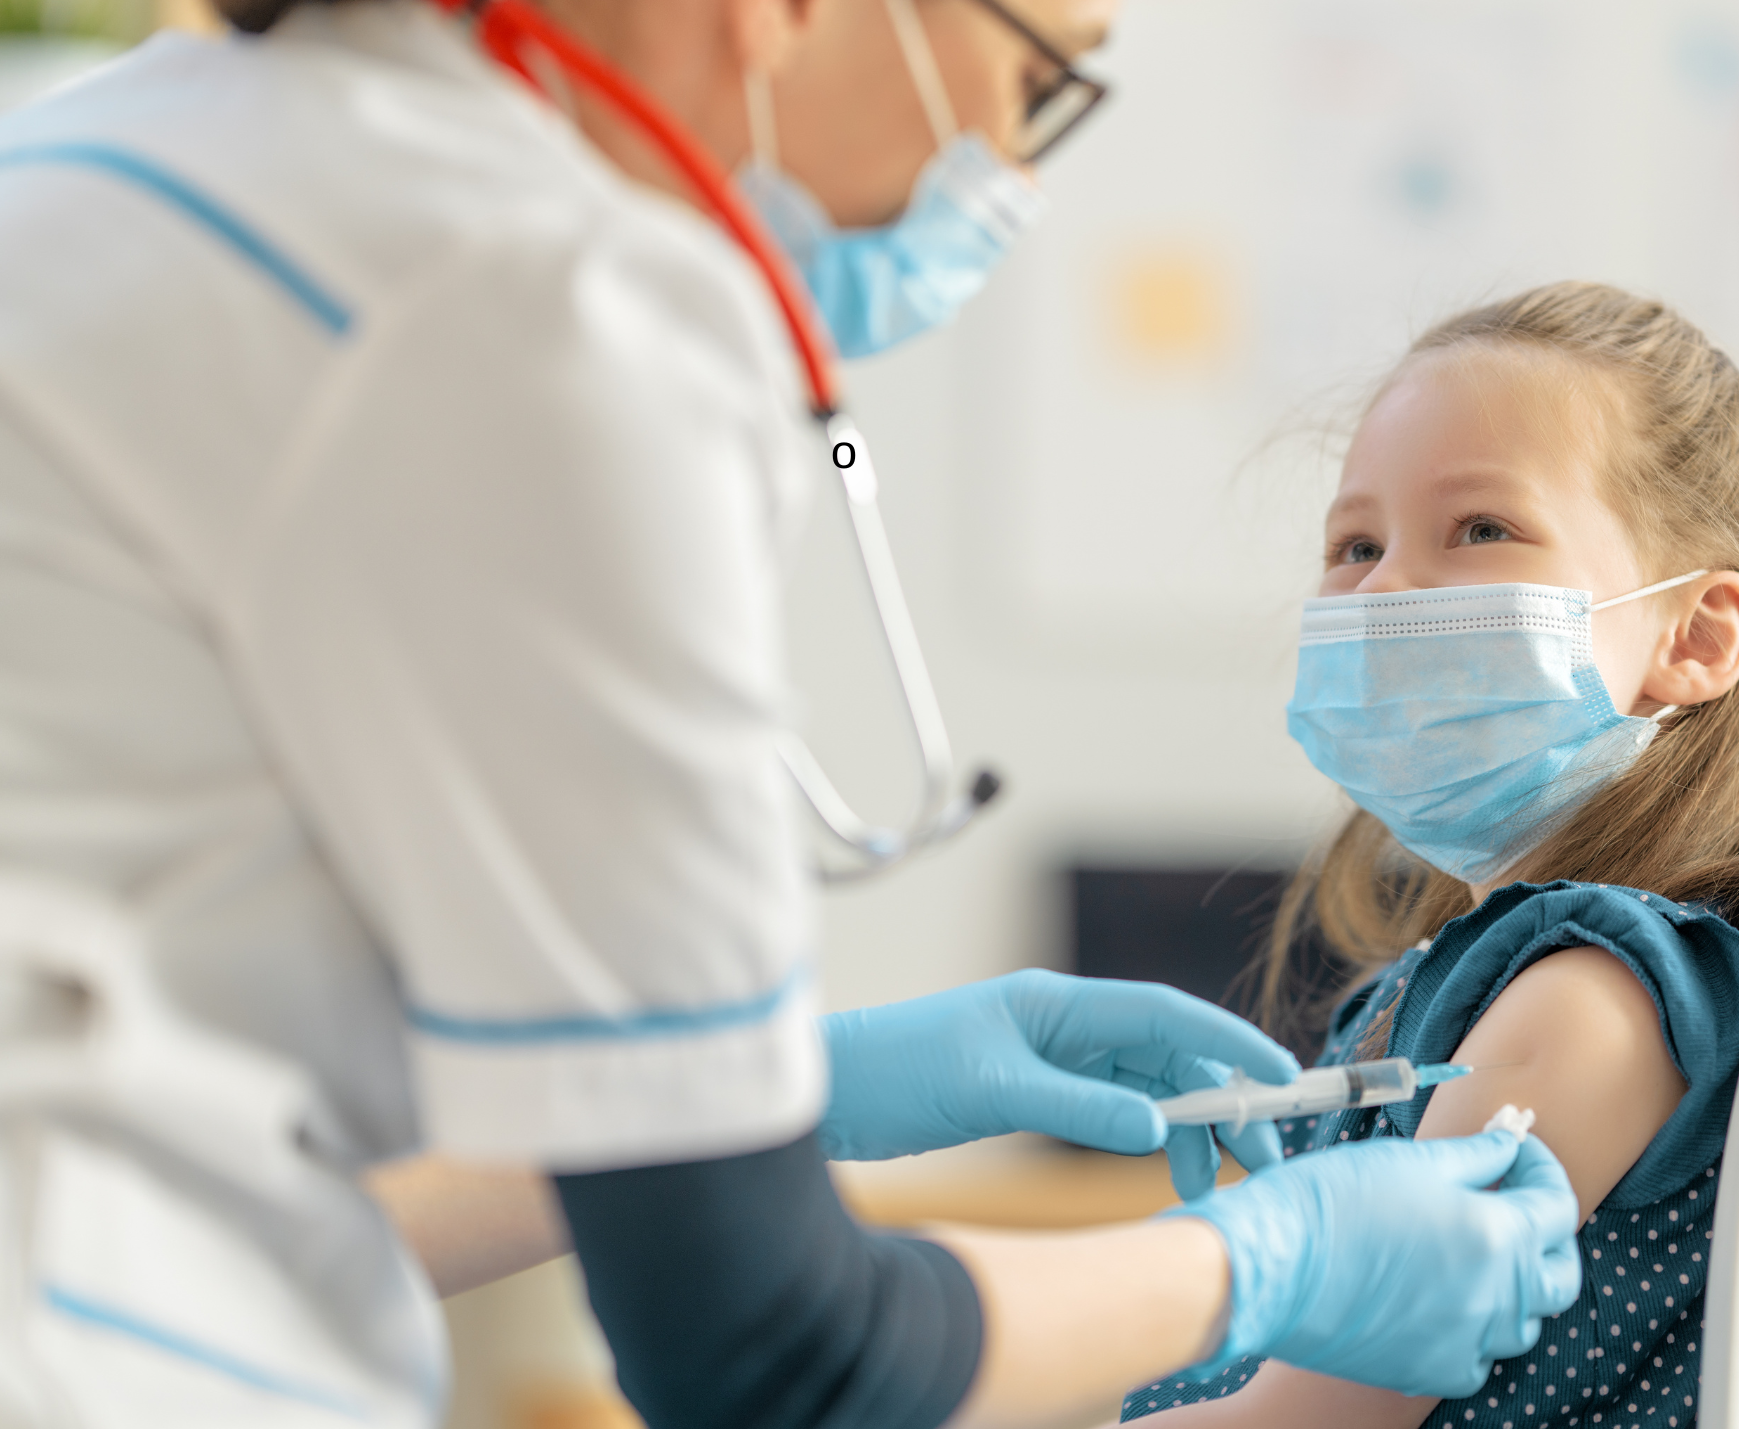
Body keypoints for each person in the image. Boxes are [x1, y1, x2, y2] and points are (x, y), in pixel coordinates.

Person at [0, 2, 1583, 1426]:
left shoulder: (100, 147)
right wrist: (1268, 1262)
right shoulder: (548, 310)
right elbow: (770, 1351)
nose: (1005, 159)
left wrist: (782, 1096)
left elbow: (187, 1112)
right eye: (1037, 72)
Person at [1119, 282, 1739, 1429]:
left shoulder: (1590, 999)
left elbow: (1313, 1418)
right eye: (1353, 544)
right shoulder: (1470, 979)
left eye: (1477, 529)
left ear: (1696, 635)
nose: (1381, 587)